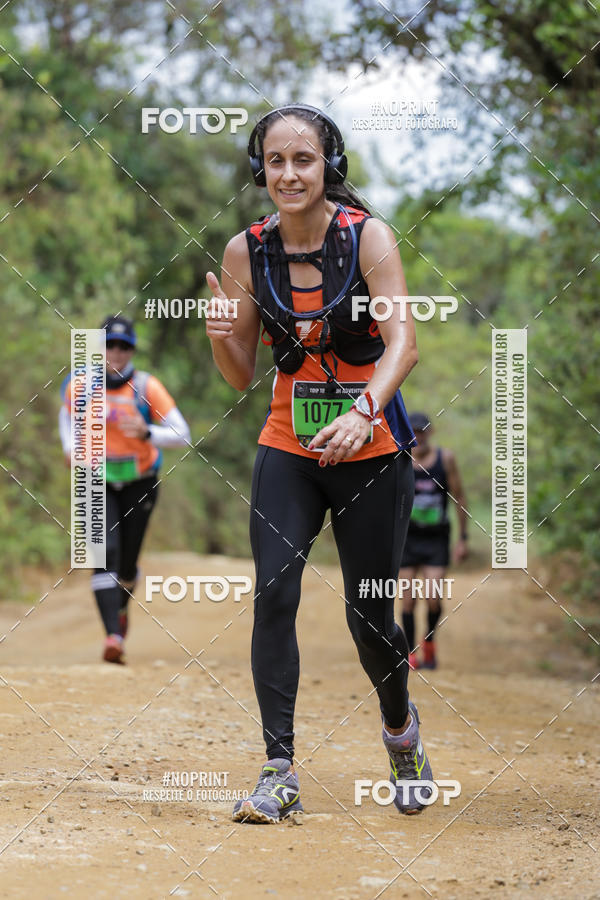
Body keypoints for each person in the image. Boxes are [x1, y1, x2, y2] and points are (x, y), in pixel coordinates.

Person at [205, 104, 433, 822]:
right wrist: (220, 334)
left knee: (370, 616)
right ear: (259, 170)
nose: (289, 174)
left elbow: (404, 343)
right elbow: (240, 374)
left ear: (328, 165)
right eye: (275, 161)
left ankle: (400, 732)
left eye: (303, 159)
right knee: (273, 593)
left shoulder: (370, 238)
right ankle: (279, 770)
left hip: (370, 450)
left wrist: (363, 411)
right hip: (288, 448)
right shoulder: (244, 252)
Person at [59, 315, 191, 664]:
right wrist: (70, 447)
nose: (116, 353)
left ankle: (119, 610)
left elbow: (183, 434)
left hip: (140, 483)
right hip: (96, 479)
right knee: (105, 556)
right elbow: (66, 415)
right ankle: (113, 636)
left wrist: (148, 433)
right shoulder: (80, 384)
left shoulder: (147, 387)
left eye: (124, 346)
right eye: (110, 345)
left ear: (132, 350)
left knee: (127, 566)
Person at [399, 412, 468, 671]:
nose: (418, 436)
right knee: (407, 599)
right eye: (414, 431)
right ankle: (409, 652)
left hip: (436, 538)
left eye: (423, 431)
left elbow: (459, 497)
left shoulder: (445, 459)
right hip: (407, 537)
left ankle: (429, 641)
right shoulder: (400, 457)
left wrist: (463, 538)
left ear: (431, 431)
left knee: (433, 596)